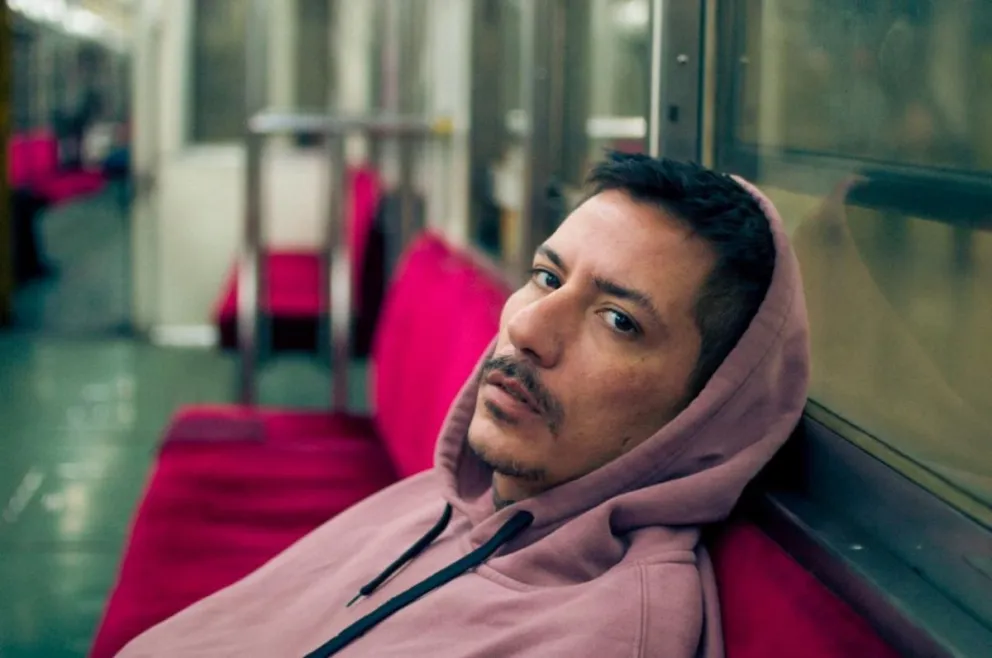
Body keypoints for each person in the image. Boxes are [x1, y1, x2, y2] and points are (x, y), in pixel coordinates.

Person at [116, 152, 809, 657]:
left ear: (703, 411)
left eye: (618, 321)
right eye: (546, 277)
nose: (527, 328)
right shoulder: (457, 498)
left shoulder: (604, 633)